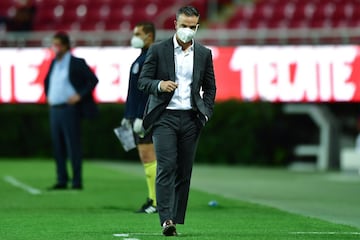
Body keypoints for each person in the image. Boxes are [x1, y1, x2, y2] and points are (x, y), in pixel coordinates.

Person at [138, 6, 216, 236]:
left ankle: (175, 216)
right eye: (184, 25)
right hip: (164, 117)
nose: (188, 30)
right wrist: (159, 85)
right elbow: (143, 81)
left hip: (191, 118)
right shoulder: (158, 50)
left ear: (197, 27)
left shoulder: (204, 53)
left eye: (192, 27)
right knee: (166, 166)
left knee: (184, 171)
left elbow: (210, 87)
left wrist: (206, 111)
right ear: (175, 24)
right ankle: (166, 220)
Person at [44, 31, 99, 190]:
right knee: (58, 145)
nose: (55, 48)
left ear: (66, 46)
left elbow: (93, 80)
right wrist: (48, 95)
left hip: (70, 109)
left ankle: (76, 181)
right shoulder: (54, 63)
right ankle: (61, 179)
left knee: (73, 145)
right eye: (53, 44)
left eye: (58, 44)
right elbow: (48, 81)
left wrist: (79, 95)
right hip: (55, 109)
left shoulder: (76, 62)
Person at [121, 21, 158, 214]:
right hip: (136, 116)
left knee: (149, 155)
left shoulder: (152, 58)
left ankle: (156, 201)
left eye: (138, 33)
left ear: (149, 36)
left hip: (146, 116)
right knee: (146, 156)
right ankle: (153, 199)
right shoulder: (141, 58)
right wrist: (128, 115)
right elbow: (134, 92)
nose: (134, 36)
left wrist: (143, 115)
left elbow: (150, 91)